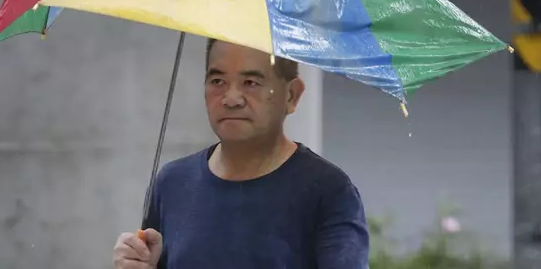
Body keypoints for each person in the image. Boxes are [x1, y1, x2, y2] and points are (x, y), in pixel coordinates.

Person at [112, 39, 369, 269]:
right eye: (218, 81)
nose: (231, 98)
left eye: (250, 83)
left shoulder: (328, 191)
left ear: (291, 95)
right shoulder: (172, 182)